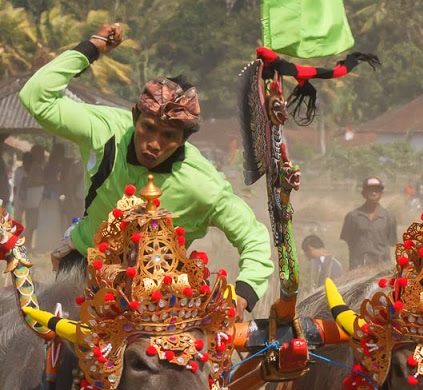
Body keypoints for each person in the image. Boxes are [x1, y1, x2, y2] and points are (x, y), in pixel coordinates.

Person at [19, 22, 272, 314]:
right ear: (134, 117)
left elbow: (253, 236)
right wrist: (93, 47)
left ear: (184, 140)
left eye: (169, 137)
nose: (154, 144)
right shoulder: (105, 130)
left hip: (159, 299)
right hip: (84, 270)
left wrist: (243, 293)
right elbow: (36, 96)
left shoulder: (202, 185)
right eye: (148, 128)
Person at [340, 177, 399, 272]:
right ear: (363, 194)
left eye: (377, 190)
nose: (373, 193)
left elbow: (391, 241)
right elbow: (348, 240)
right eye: (370, 190)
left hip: (381, 268)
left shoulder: (389, 217)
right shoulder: (352, 216)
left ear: (381, 194)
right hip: (358, 267)